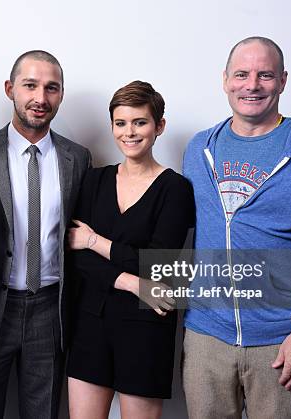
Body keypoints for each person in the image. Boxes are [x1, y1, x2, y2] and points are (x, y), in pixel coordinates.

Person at [181, 36, 291, 418]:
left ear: (283, 80)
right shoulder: (198, 149)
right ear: (225, 79)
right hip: (206, 336)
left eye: (265, 75)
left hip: (278, 343)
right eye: (241, 74)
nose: (252, 85)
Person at [0, 50, 91, 419]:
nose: (40, 98)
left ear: (61, 95)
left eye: (51, 88)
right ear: (10, 89)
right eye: (30, 85)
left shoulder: (77, 158)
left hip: (50, 310)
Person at [66, 81, 195, 419]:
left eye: (140, 122)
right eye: (121, 123)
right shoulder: (94, 181)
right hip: (90, 323)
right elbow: (76, 258)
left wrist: (96, 242)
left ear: (159, 126)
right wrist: (134, 283)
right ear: (112, 127)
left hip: (146, 327)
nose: (130, 132)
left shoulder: (176, 189)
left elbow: (157, 266)